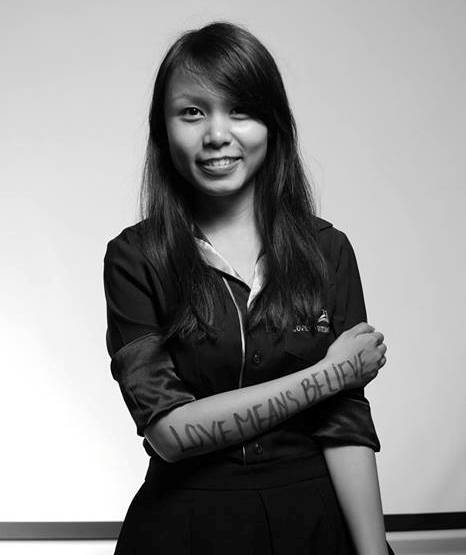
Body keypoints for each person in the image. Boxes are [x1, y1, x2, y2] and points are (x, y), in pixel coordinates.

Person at [103, 21, 394, 555]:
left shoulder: (327, 250)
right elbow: (170, 433)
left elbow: (346, 425)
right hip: (184, 529)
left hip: (315, 525)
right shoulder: (134, 257)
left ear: (273, 123)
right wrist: (332, 373)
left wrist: (374, 552)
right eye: (193, 112)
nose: (217, 134)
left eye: (240, 110)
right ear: (163, 129)